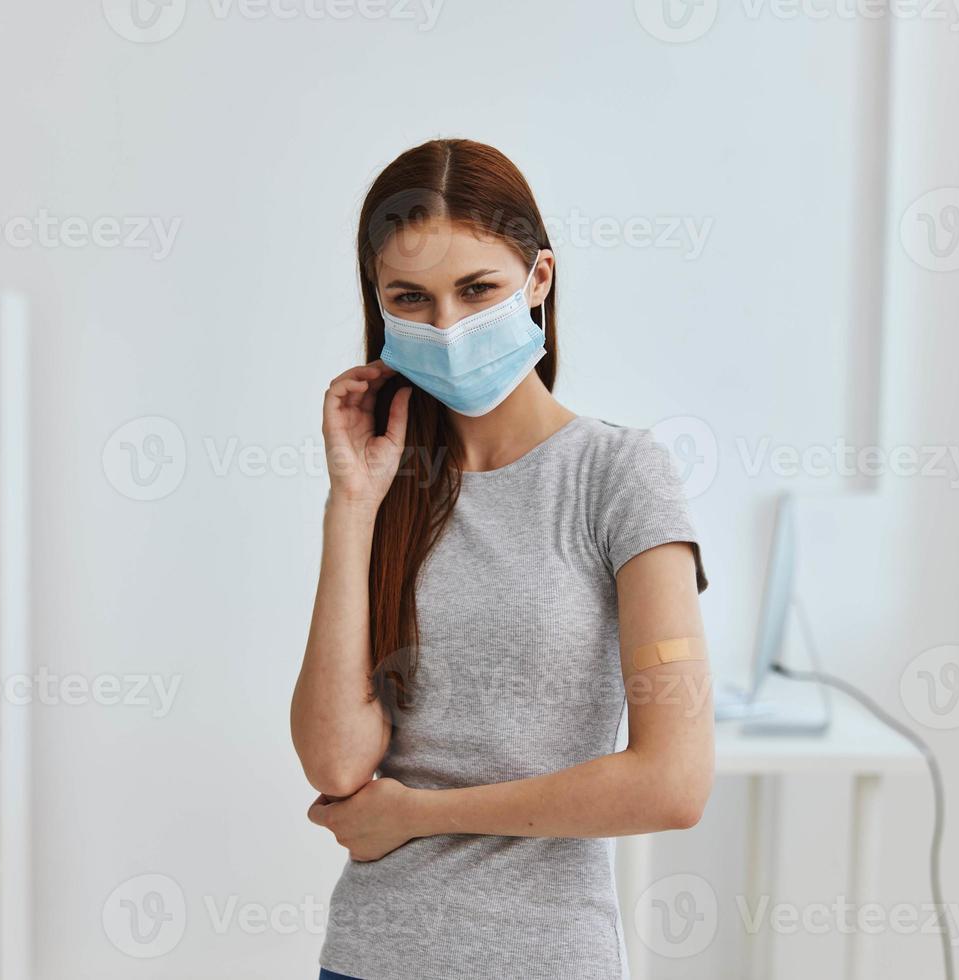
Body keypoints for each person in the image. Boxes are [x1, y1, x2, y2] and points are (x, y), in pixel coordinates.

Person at [291, 138, 715, 980]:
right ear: (380, 306)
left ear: (538, 282)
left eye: (476, 289)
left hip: (545, 958)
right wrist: (351, 506)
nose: (445, 326)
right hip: (370, 957)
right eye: (411, 297)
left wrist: (419, 814)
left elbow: (672, 783)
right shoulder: (387, 489)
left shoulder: (620, 476)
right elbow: (337, 763)